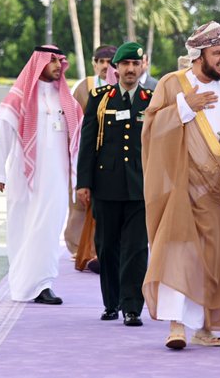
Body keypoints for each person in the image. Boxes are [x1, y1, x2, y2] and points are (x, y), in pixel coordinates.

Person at [141, 21, 220, 350]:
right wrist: (184, 107)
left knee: (213, 258)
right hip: (183, 188)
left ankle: (204, 327)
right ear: (199, 55)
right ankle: (176, 326)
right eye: (218, 53)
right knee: (179, 254)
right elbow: (150, 128)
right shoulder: (172, 84)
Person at [0, 45, 83, 305]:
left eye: (59, 60)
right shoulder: (19, 97)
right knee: (22, 227)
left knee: (49, 229)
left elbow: (78, 141)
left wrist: (80, 178)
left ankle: (44, 283)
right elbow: (4, 134)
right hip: (24, 175)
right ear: (38, 63)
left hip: (56, 177)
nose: (57, 65)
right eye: (51, 60)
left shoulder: (66, 100)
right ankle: (22, 283)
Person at [76, 42, 152, 326]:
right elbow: (88, 142)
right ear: (116, 68)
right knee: (107, 246)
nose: (130, 69)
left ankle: (132, 307)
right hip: (106, 185)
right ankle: (111, 302)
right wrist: (83, 182)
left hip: (140, 186)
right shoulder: (100, 99)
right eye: (125, 64)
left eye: (135, 64)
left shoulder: (151, 100)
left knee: (136, 249)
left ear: (142, 66)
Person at [66, 44, 117, 269]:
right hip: (84, 153)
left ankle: (100, 251)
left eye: (110, 62)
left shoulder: (124, 85)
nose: (106, 66)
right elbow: (72, 121)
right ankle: (79, 249)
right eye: (101, 61)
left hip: (113, 156)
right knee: (80, 204)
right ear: (94, 64)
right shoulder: (84, 86)